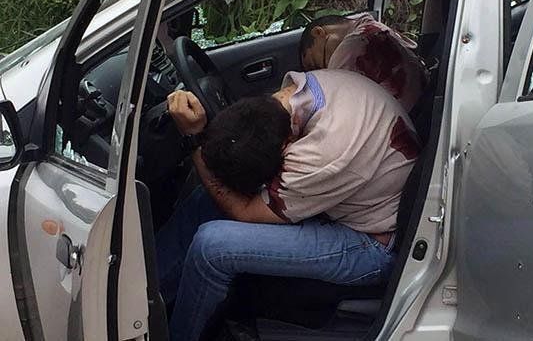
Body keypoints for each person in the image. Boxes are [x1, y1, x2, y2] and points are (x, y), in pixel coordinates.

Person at [157, 69, 420, 341]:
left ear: (286, 146)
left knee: (211, 247)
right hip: (361, 195)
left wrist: (194, 140)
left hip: (373, 243)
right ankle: (145, 293)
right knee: (205, 199)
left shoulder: (320, 153)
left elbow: (243, 212)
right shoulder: (298, 93)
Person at [298, 13, 428, 112]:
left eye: (316, 63)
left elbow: (331, 112)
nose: (323, 70)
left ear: (319, 32)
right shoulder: (376, 27)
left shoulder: (349, 49)